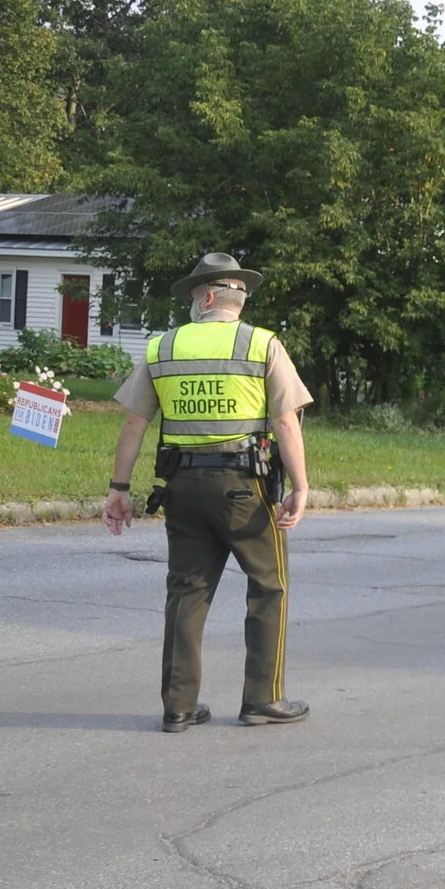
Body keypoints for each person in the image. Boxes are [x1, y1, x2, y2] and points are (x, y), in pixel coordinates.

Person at [103, 252, 313, 733]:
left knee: (187, 592)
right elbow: (285, 420)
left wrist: (119, 488)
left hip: (181, 486)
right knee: (269, 586)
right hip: (244, 486)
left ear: (208, 297)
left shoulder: (163, 347)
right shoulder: (262, 344)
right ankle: (263, 699)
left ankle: (178, 707)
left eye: (193, 298)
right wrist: (299, 487)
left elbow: (135, 423)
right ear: (234, 299)